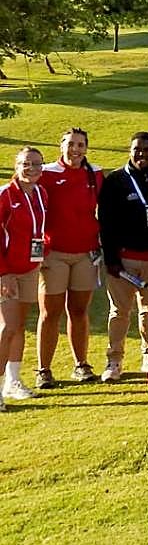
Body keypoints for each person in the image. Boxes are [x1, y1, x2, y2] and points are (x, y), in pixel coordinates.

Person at [97, 132, 148, 382]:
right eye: (137, 149)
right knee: (119, 312)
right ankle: (114, 359)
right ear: (129, 151)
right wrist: (111, 258)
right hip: (123, 260)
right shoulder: (115, 181)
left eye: (147, 149)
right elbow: (105, 223)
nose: (142, 154)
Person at [36, 129, 104, 388]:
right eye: (71, 144)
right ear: (61, 145)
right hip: (54, 254)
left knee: (78, 311)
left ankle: (81, 364)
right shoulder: (47, 173)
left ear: (86, 148)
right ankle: (44, 369)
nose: (75, 149)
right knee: (49, 313)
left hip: (86, 253)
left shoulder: (95, 174)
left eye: (80, 145)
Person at [1, 147, 48, 402]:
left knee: (19, 326)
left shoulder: (41, 193)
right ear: (16, 166)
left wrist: (43, 254)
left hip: (30, 268)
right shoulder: (5, 195)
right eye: (26, 164)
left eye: (37, 164)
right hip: (6, 272)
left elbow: (40, 231)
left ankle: (13, 380)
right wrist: (4, 272)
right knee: (6, 327)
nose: (32, 169)